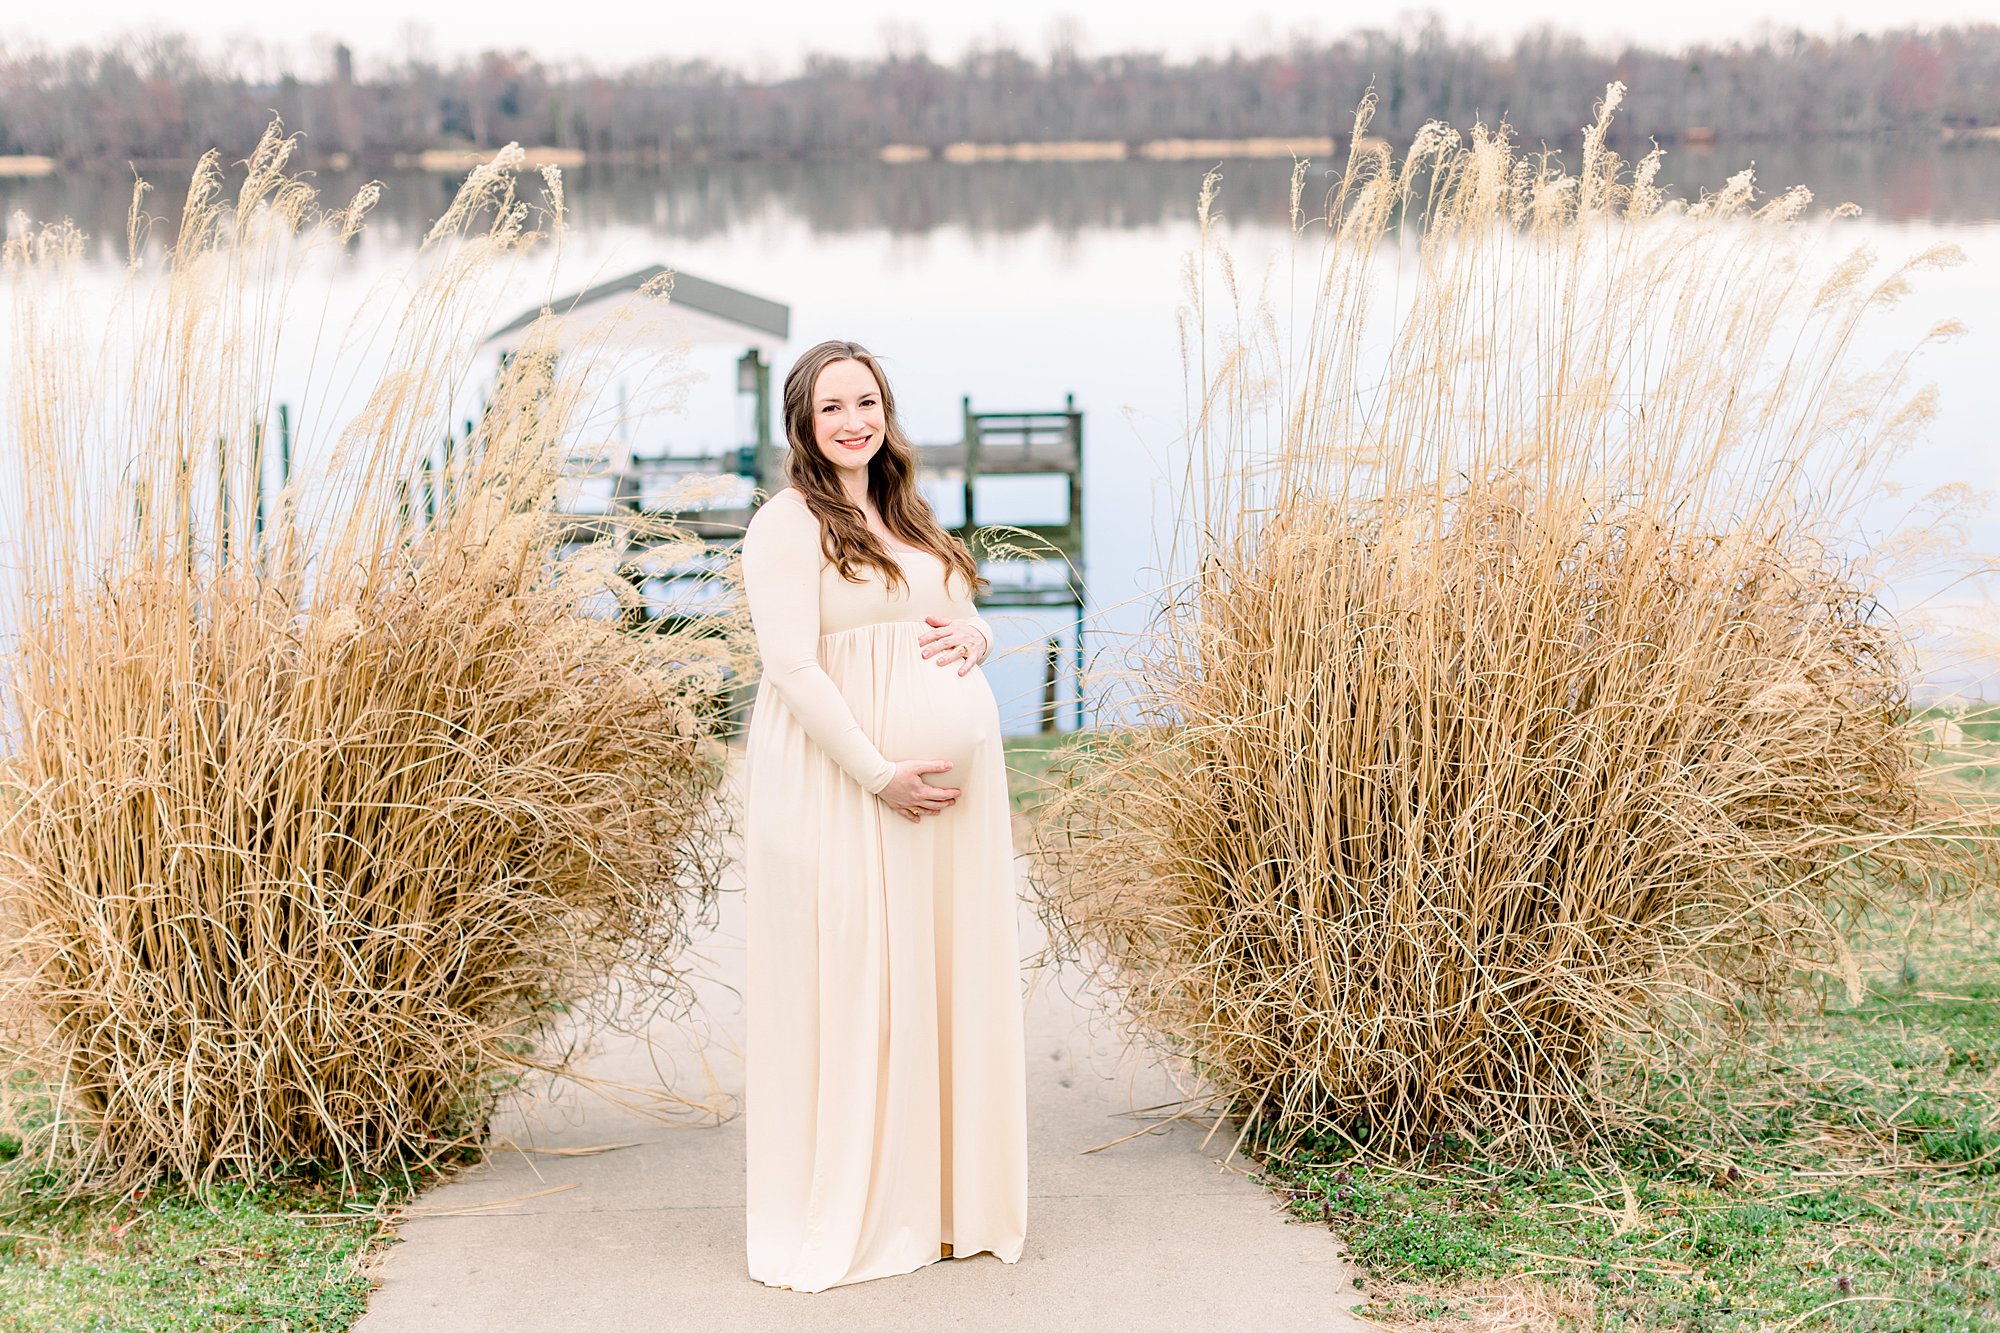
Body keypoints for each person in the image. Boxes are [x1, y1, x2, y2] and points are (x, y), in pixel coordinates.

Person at [740, 339, 1029, 1292]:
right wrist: (876, 772)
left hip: (947, 805)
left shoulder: (903, 509)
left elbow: (954, 616)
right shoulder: (788, 524)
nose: (855, 421)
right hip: (848, 785)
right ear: (802, 425)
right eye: (833, 408)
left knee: (944, 983)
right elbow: (791, 668)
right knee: (867, 986)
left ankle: (951, 1201)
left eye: (868, 401)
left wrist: (980, 633)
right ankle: (875, 1199)